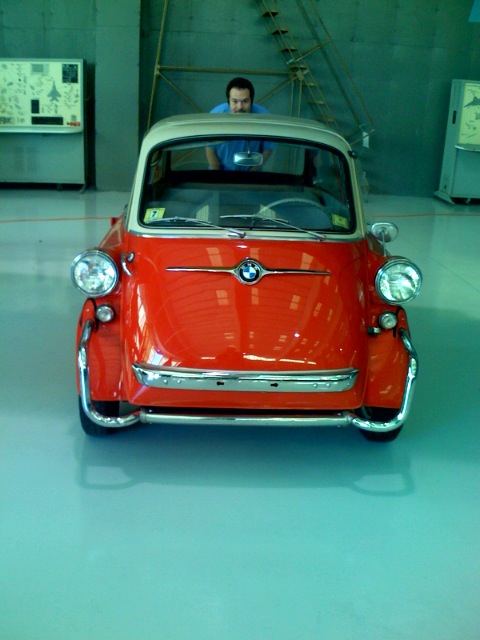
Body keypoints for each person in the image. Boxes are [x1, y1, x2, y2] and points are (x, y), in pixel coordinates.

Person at [206, 77, 274, 170]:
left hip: (251, 175)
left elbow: (267, 149)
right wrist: (217, 178)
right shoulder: (216, 116)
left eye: (245, 101)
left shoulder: (264, 118)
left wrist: (252, 175)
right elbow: (210, 148)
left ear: (251, 101)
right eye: (234, 101)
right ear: (228, 101)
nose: (240, 107)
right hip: (220, 173)